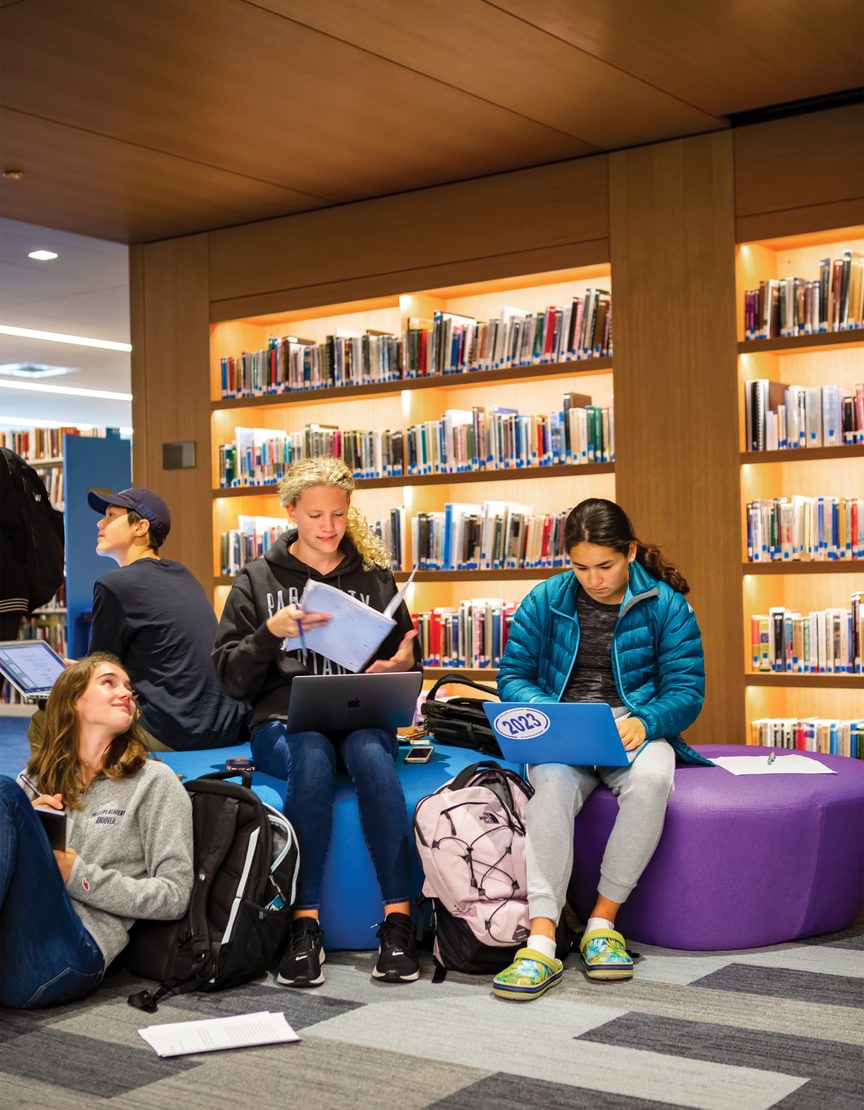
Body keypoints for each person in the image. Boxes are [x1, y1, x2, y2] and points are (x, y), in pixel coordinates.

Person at [213, 456, 422, 988]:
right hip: (283, 721)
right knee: (310, 752)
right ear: (290, 513)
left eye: (337, 514)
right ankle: (303, 927)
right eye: (315, 517)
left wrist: (401, 665)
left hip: (361, 714)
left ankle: (399, 922)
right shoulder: (257, 579)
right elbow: (229, 677)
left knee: (372, 755)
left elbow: (406, 662)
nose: (328, 528)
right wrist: (269, 633)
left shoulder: (373, 576)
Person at [491, 497, 707, 1001]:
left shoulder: (666, 605)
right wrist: (549, 713)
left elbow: (687, 691)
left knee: (653, 780)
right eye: (580, 566)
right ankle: (543, 936)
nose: (594, 579)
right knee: (551, 787)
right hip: (564, 727)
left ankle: (601, 924)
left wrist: (645, 720)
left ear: (629, 551)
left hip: (635, 729)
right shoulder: (546, 599)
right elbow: (513, 676)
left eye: (605, 565)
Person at [0, 653, 193, 1009]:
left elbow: (174, 895)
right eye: (108, 683)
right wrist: (33, 830)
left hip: (71, 954)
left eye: (129, 689)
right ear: (75, 701)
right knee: (12, 795)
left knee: (4, 792)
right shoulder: (37, 783)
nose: (126, 694)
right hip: (12, 944)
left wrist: (77, 875)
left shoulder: (154, 782)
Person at [82, 486, 247, 751]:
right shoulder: (182, 573)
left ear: (141, 527)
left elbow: (100, 671)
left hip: (174, 730)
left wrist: (76, 675)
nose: (100, 522)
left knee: (50, 716)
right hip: (225, 724)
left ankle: (62, 793)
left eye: (111, 515)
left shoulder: (114, 585)